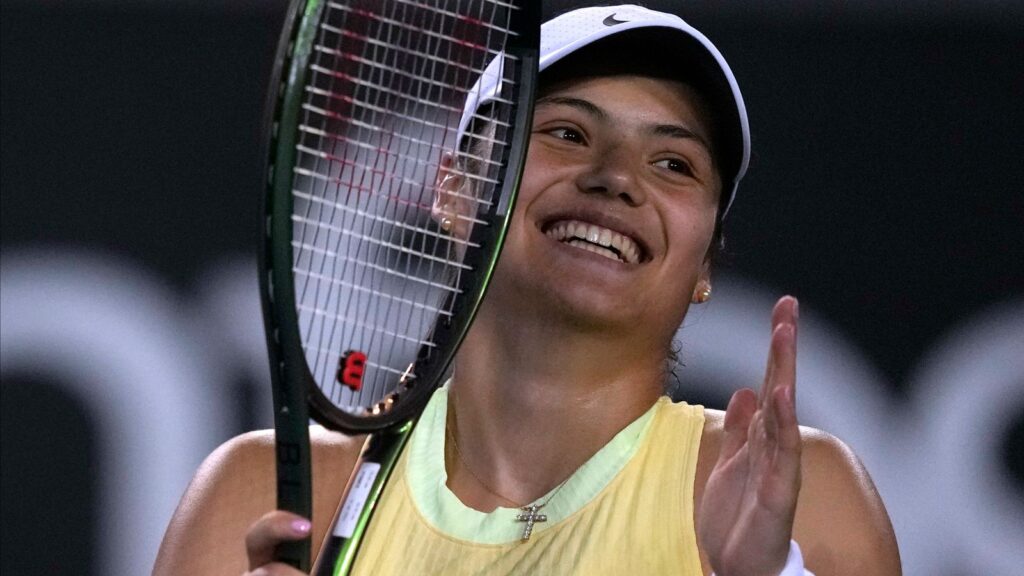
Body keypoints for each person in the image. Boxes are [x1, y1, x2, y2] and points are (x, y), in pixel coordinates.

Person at [154, 5, 900, 575]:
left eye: (674, 164)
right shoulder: (266, 497)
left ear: (705, 265)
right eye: (568, 133)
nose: (615, 178)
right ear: (453, 191)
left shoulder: (809, 501)